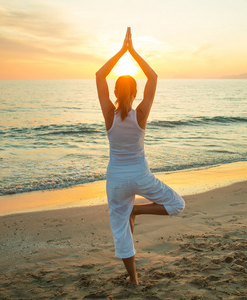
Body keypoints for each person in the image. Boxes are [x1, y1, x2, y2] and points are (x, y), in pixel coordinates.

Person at [95, 27, 185, 286]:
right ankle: (136, 210)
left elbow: (99, 74)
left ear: (114, 94)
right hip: (140, 176)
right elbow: (153, 77)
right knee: (176, 204)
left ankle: (134, 280)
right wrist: (133, 52)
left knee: (121, 232)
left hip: (116, 180)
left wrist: (121, 51)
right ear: (135, 94)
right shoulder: (141, 114)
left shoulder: (109, 115)